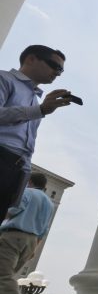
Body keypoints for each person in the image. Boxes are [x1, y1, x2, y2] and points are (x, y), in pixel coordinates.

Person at [1, 45, 72, 220]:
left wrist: (23, 175)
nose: (58, 73)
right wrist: (39, 110)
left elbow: (27, 143)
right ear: (31, 59)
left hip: (15, 168)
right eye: (54, 66)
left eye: (61, 70)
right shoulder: (4, 79)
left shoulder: (34, 98)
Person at [0, 173, 53, 294]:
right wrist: (34, 250)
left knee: (3, 276)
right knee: (7, 278)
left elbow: (14, 210)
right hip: (31, 242)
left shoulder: (27, 193)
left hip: (13, 235)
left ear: (29, 181)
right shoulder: (49, 203)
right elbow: (44, 230)